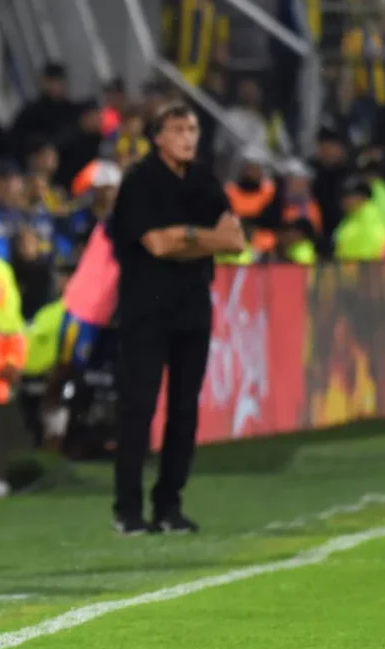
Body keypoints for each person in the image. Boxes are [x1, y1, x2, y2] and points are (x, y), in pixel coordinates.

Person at [108, 102, 244, 535]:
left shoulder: (203, 181)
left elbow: (235, 239)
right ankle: (127, 510)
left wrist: (184, 236)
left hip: (191, 308)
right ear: (158, 136)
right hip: (145, 310)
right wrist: (204, 239)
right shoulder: (140, 182)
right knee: (140, 409)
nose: (189, 137)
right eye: (179, 129)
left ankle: (169, 504)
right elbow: (156, 245)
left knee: (185, 412)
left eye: (193, 129)